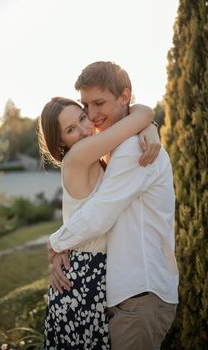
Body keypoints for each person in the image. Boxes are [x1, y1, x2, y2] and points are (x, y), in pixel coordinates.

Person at [48, 61, 179, 350]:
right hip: (129, 296)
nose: (92, 117)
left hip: (140, 294)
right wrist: (147, 121)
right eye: (86, 106)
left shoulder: (133, 150)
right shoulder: (117, 149)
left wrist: (56, 242)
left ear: (124, 97)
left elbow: (99, 216)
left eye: (98, 104)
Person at [38, 94, 157, 349]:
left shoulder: (94, 158)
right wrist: (148, 124)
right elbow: (142, 114)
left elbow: (140, 117)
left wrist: (149, 128)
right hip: (82, 281)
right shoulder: (80, 154)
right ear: (60, 142)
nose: (84, 131)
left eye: (83, 118)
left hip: (89, 273)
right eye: (71, 130)